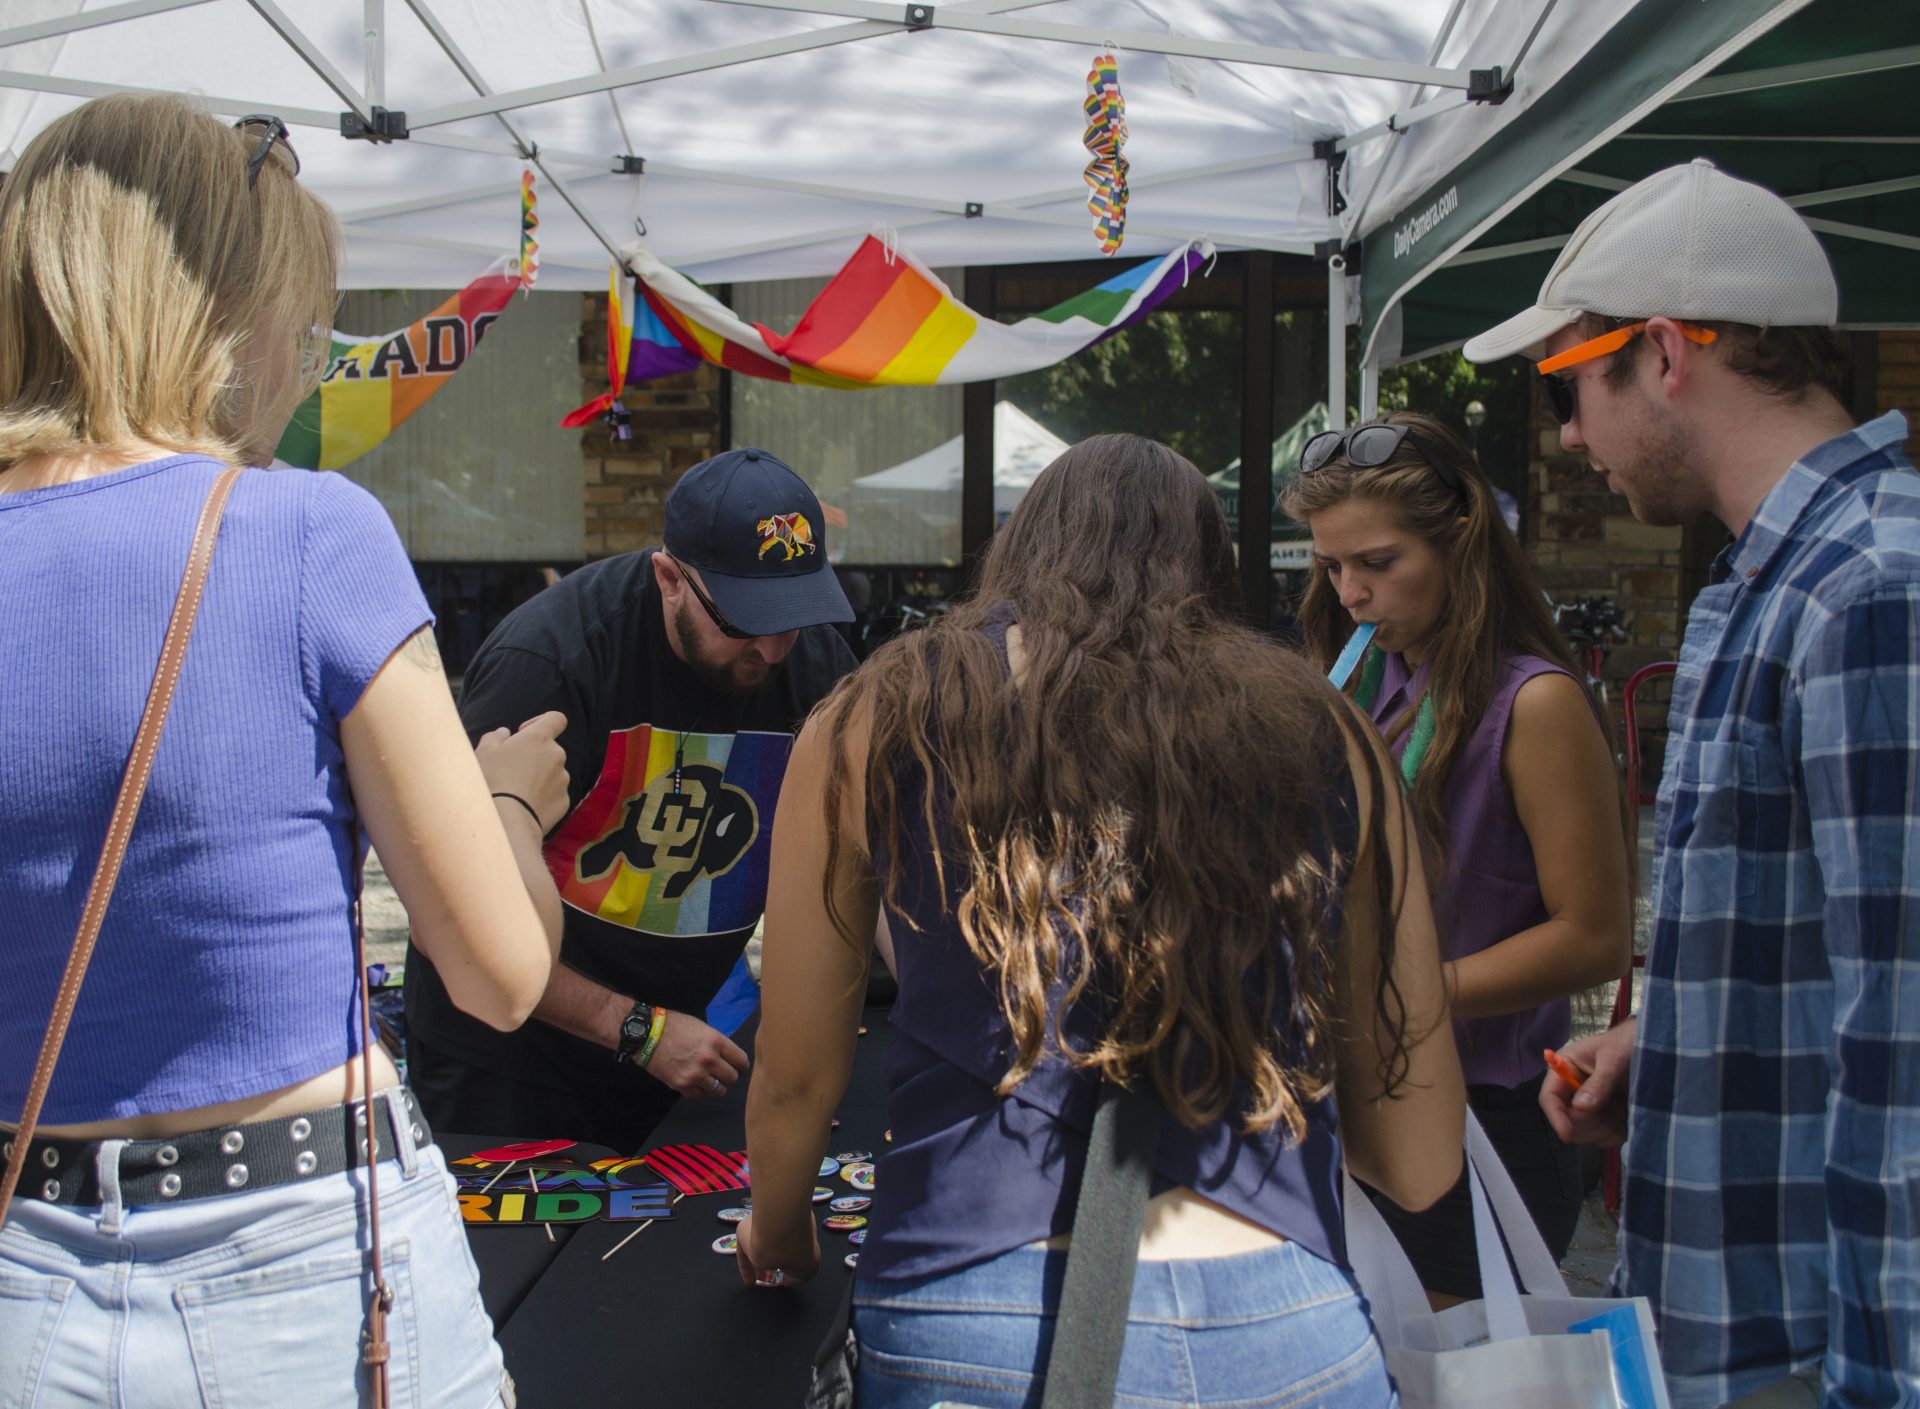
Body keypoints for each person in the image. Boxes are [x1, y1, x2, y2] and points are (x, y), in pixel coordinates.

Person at [0, 95, 564, 1406]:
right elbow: (496, 972)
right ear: (222, 307)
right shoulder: (308, 533)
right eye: (301, 320)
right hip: (305, 1255)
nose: (299, 359)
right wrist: (508, 800)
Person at [736, 434, 1468, 1408]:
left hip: (971, 1305)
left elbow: (795, 1077)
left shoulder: (883, 709)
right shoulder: (1331, 732)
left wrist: (777, 1233)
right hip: (1283, 1320)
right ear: (1213, 569)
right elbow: (1417, 1160)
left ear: (1017, 551)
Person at [1468, 160, 1920, 1408]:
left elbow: (1906, 1042)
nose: (1567, 432)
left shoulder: (1870, 588)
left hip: (1827, 1348)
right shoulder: (1765, 581)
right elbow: (1822, 949)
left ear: (1665, 352)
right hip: (1735, 1323)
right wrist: (1665, 1045)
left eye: (1571, 383)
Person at [404, 449, 859, 1154]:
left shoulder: (821, 669)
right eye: (745, 620)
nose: (772, 650)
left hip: (670, 1052)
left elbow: (864, 861)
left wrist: (796, 1075)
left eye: (793, 615)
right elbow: (449, 914)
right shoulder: (551, 661)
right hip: (506, 1062)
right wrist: (637, 1027)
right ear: (670, 578)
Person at [1283, 411, 1632, 1303]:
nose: (1350, 592)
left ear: (1462, 543)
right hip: (1362, 1093)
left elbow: (1593, 937)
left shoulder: (1537, 704)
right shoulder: (1369, 676)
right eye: (1331, 564)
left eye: (1379, 562)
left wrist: (1407, 989)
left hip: (1487, 1117)